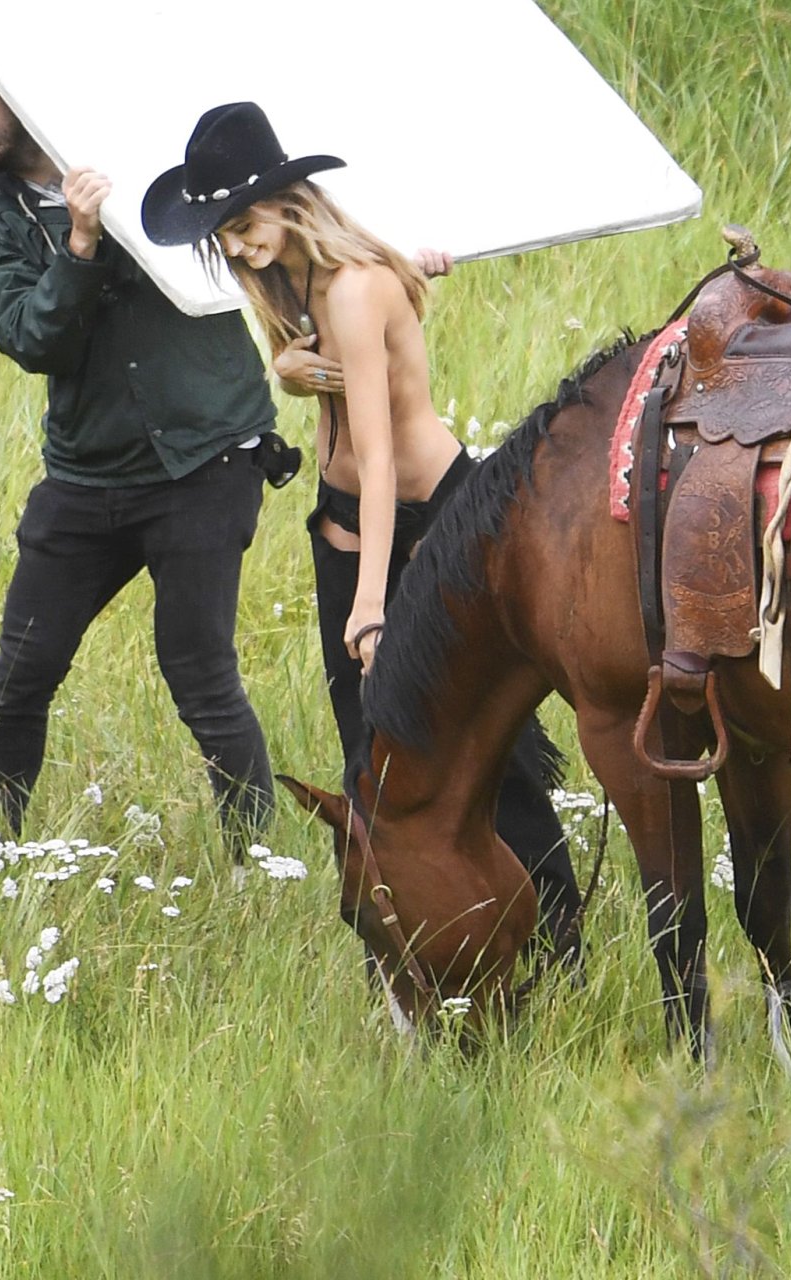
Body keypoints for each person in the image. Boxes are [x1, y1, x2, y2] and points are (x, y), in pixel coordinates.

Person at [141, 103, 582, 951]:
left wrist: (372, 605)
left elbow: (379, 459)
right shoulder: (279, 273)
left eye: (242, 226)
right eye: (221, 235)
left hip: (435, 512)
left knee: (492, 737)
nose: (235, 247)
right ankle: (411, 926)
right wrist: (286, 369)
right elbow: (321, 386)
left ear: (287, 202)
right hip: (342, 519)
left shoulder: (354, 286)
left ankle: (556, 934)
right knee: (367, 741)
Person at [0, 44, 281, 851]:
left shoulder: (139, 157)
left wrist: (390, 258)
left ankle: (255, 863)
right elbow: (32, 340)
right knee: (21, 672)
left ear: (6, 90)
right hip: (86, 475)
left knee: (200, 673)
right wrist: (78, 243)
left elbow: (268, 220)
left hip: (205, 459)